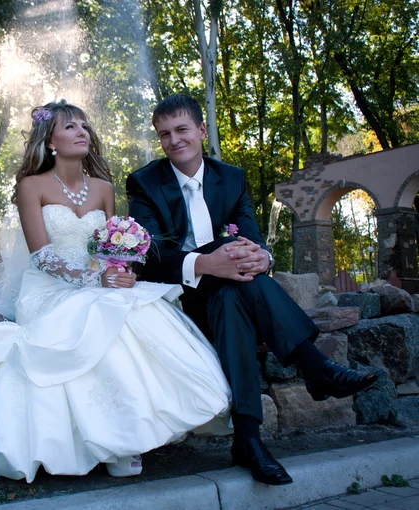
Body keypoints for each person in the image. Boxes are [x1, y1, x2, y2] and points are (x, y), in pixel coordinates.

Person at [0, 100, 232, 485]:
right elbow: (41, 256)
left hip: (97, 282)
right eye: (70, 126)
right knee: (100, 312)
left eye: (84, 126)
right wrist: (98, 282)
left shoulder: (104, 188)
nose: (81, 131)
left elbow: (115, 248)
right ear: (51, 141)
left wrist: (120, 273)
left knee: (135, 308)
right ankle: (115, 444)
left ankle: (127, 438)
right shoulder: (32, 185)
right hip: (47, 290)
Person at [126, 94, 382, 486]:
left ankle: (248, 439)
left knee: (232, 298)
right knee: (221, 257)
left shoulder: (231, 177)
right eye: (164, 135)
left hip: (230, 292)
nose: (174, 140)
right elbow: (151, 255)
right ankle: (314, 366)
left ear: (200, 130)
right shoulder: (144, 182)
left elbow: (252, 241)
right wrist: (207, 262)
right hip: (178, 296)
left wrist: (262, 258)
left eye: (181, 130)